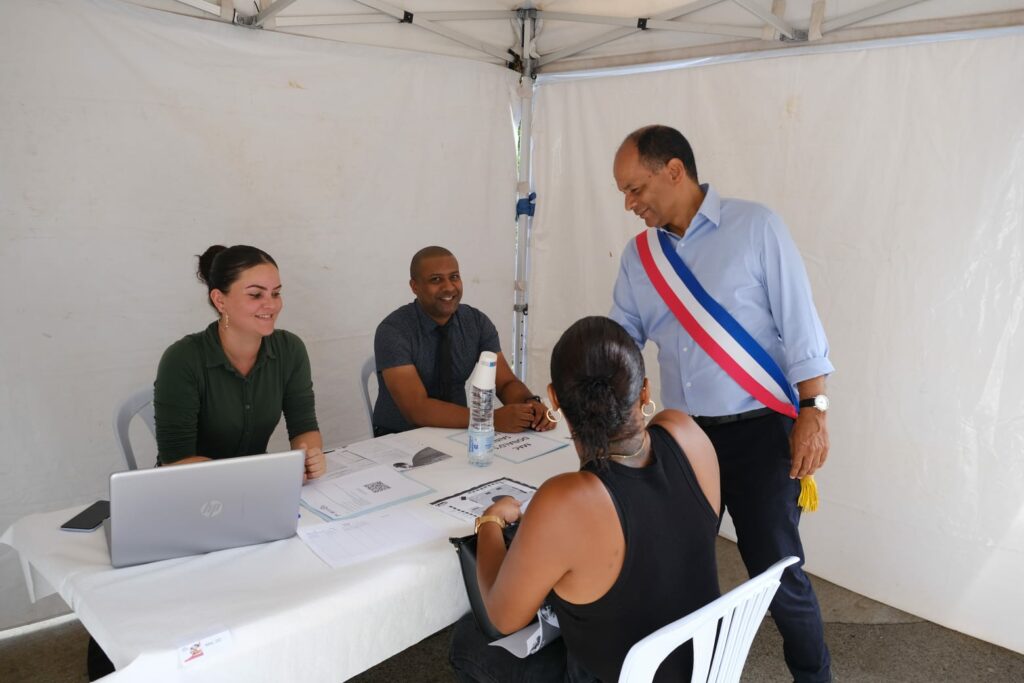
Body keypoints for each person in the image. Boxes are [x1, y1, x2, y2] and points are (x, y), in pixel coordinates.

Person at [609, 124, 834, 682]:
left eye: (635, 189)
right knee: (675, 571)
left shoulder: (756, 227)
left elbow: (801, 327)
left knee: (778, 575)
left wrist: (815, 413)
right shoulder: (640, 258)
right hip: (681, 441)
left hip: (761, 436)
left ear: (675, 171)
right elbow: (622, 342)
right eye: (624, 194)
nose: (629, 204)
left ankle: (815, 677)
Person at [449, 316, 720, 682]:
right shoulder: (685, 432)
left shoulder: (566, 500)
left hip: (614, 674)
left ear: (555, 399)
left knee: (469, 639)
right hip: (700, 665)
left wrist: (491, 523)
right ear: (644, 392)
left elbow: (502, 617)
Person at [153, 244, 326, 479]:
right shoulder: (182, 359)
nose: (272, 304)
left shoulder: (290, 349)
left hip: (254, 483)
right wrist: (259, 475)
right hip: (191, 488)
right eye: (256, 294)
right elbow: (176, 460)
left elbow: (304, 427)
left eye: (275, 293)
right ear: (219, 300)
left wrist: (309, 457)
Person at [372, 245, 553, 436]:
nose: (449, 287)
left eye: (454, 277)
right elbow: (417, 409)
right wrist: (487, 419)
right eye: (436, 280)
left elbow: (505, 382)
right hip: (399, 435)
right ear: (414, 286)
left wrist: (531, 404)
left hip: (459, 431)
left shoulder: (476, 322)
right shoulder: (393, 330)